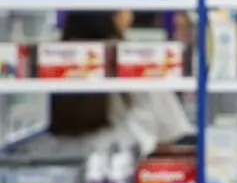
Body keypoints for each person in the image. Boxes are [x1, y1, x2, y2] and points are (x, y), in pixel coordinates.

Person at [36, 10, 194, 157]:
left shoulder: (52, 60)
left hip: (60, 169)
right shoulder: (138, 60)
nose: (130, 14)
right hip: (125, 169)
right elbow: (167, 135)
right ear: (113, 15)